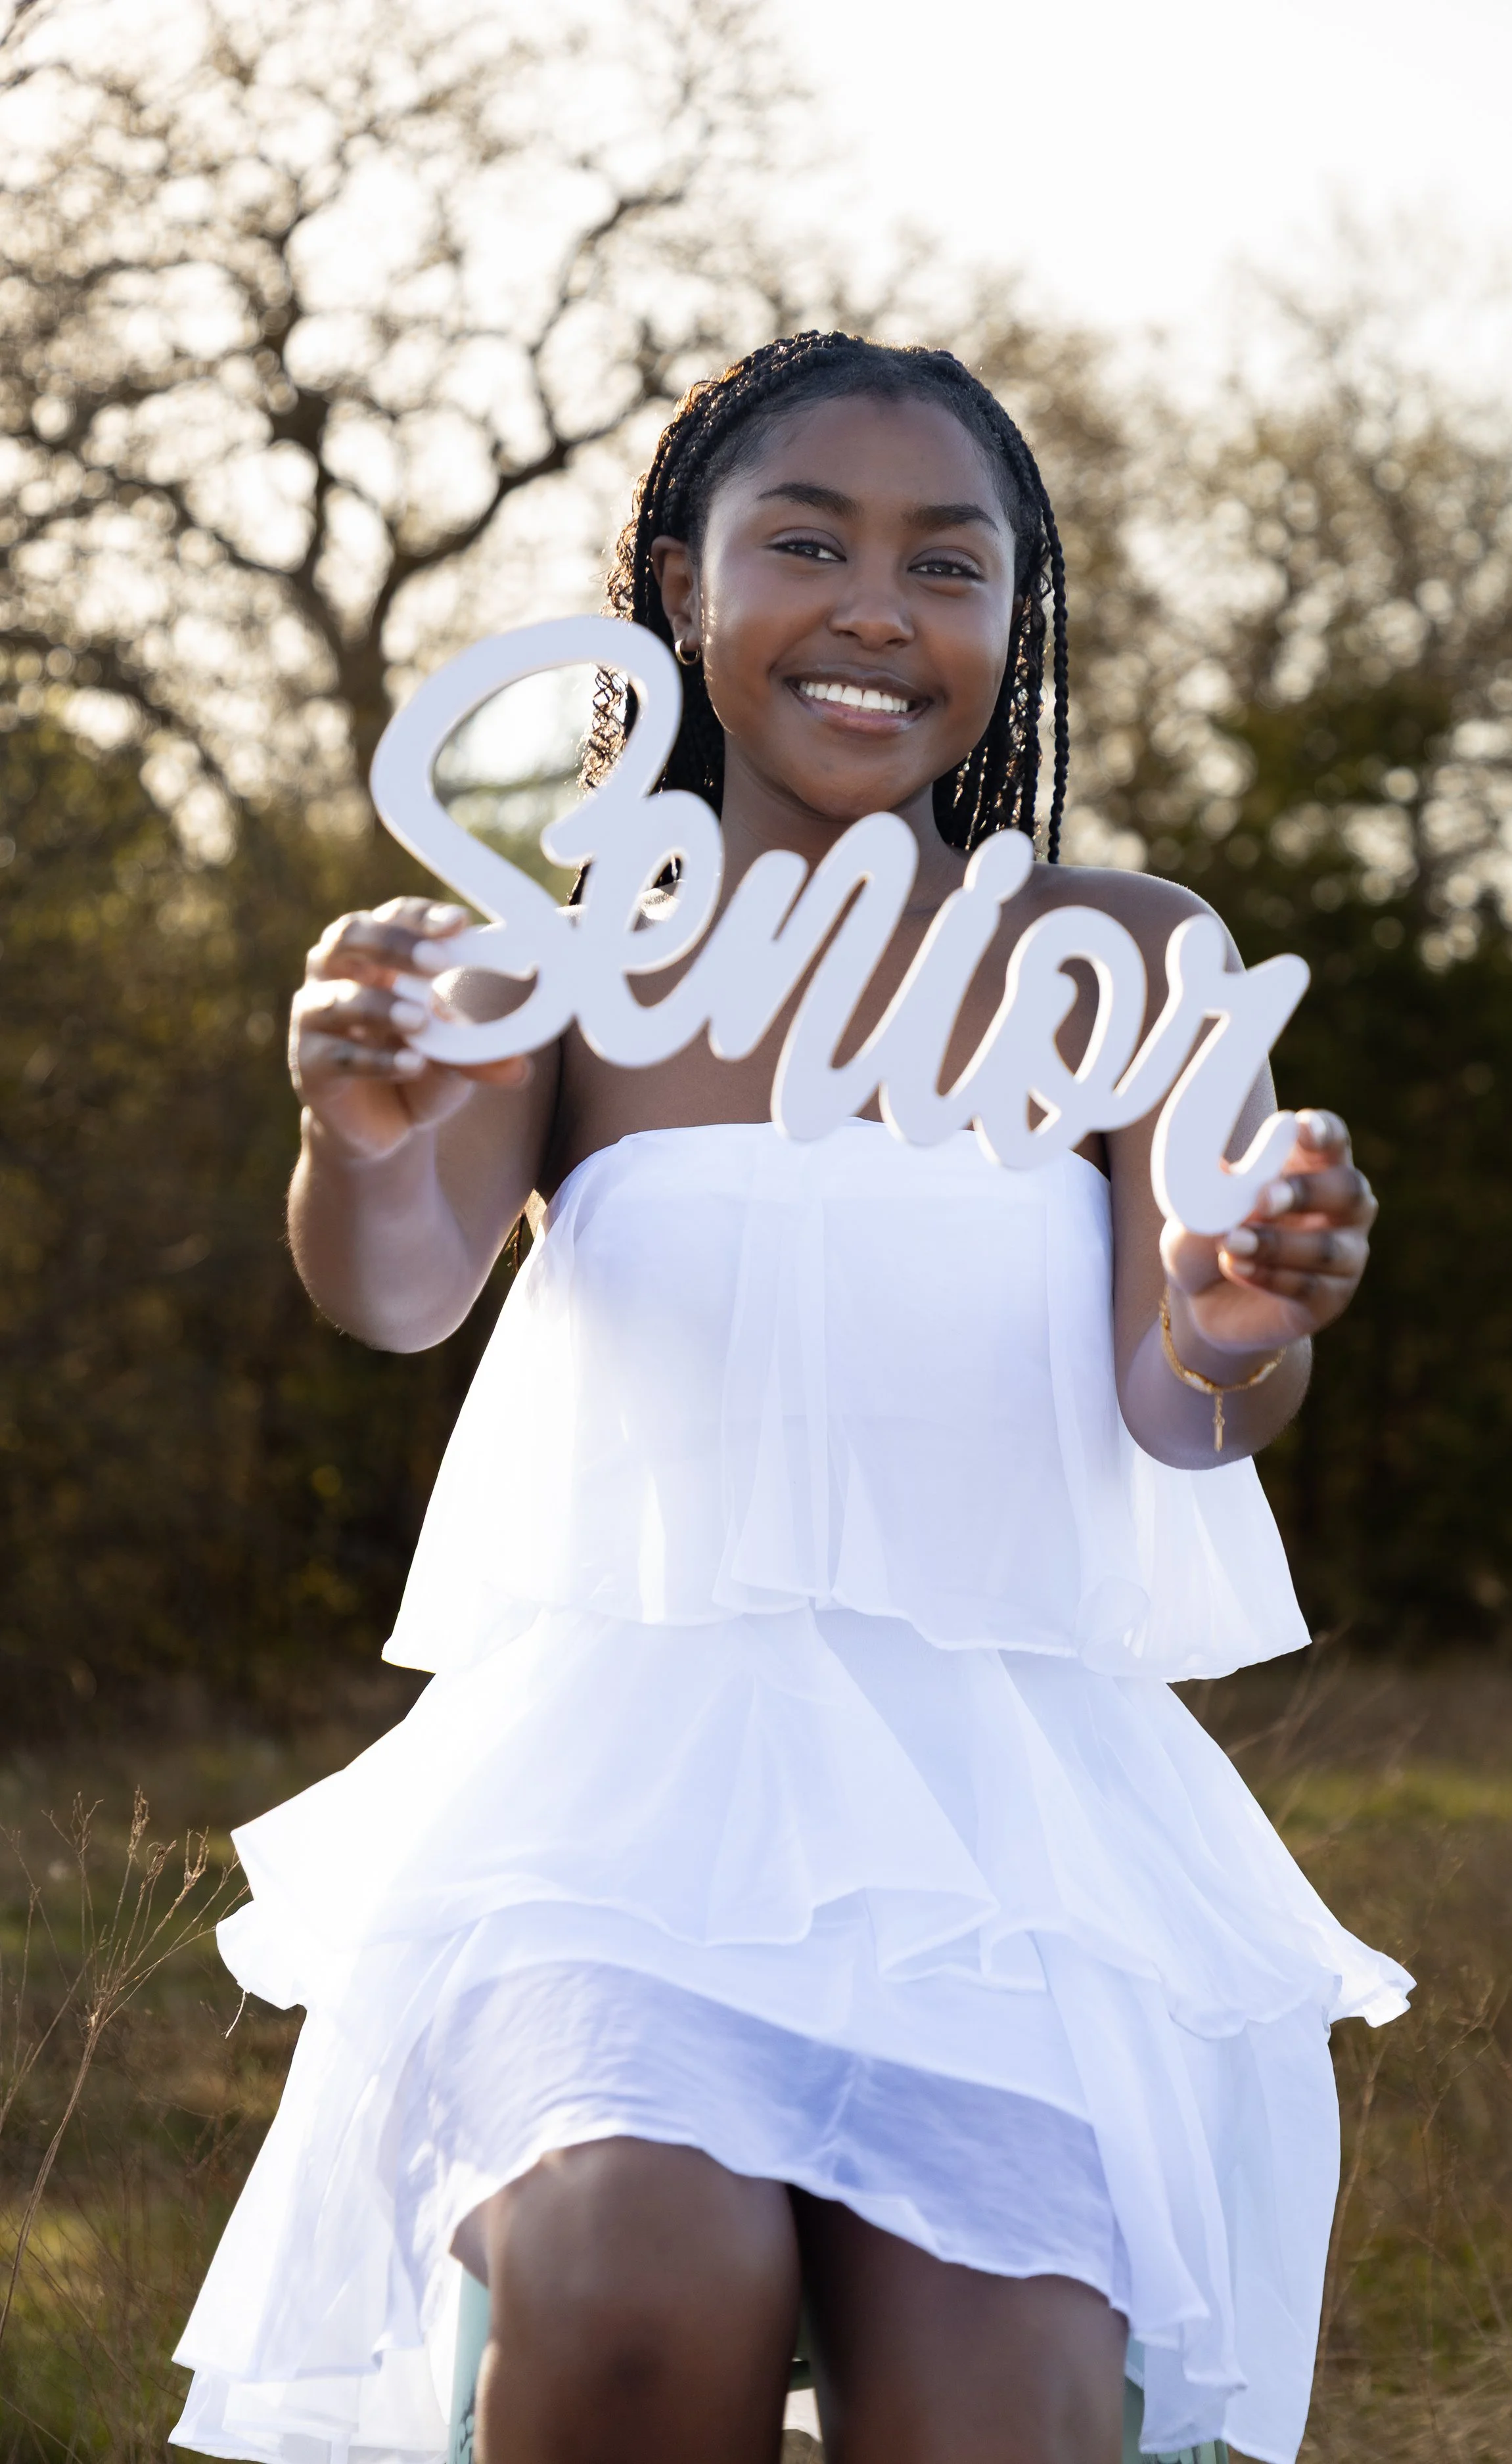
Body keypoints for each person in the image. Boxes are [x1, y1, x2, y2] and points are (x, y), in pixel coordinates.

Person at [172, 332, 1409, 2464]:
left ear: (1009, 627)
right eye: (804, 543)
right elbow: (390, 1297)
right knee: (643, 2302)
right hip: (622, 1813)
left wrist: (1233, 1321)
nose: (874, 608)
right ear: (676, 586)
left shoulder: (1119, 960)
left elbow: (1184, 1404)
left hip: (1002, 1831)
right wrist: (361, 1136)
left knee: (1000, 2410)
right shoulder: (543, 965)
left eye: (949, 564)